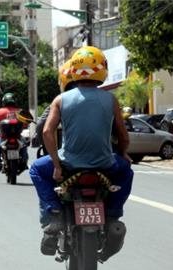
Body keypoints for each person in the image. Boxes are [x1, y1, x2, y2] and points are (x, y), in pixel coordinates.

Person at [29, 46, 134, 255]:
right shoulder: (110, 100)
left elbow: (48, 132)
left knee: (36, 169)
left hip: (69, 164)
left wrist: (57, 166)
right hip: (105, 165)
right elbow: (123, 135)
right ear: (102, 69)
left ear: (73, 71)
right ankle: (112, 213)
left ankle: (55, 212)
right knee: (127, 171)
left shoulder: (61, 100)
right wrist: (123, 154)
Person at [0, 93, 28, 172]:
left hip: (3, 138)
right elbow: (25, 125)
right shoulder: (20, 111)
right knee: (24, 145)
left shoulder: (0, 112)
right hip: (17, 137)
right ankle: (24, 161)